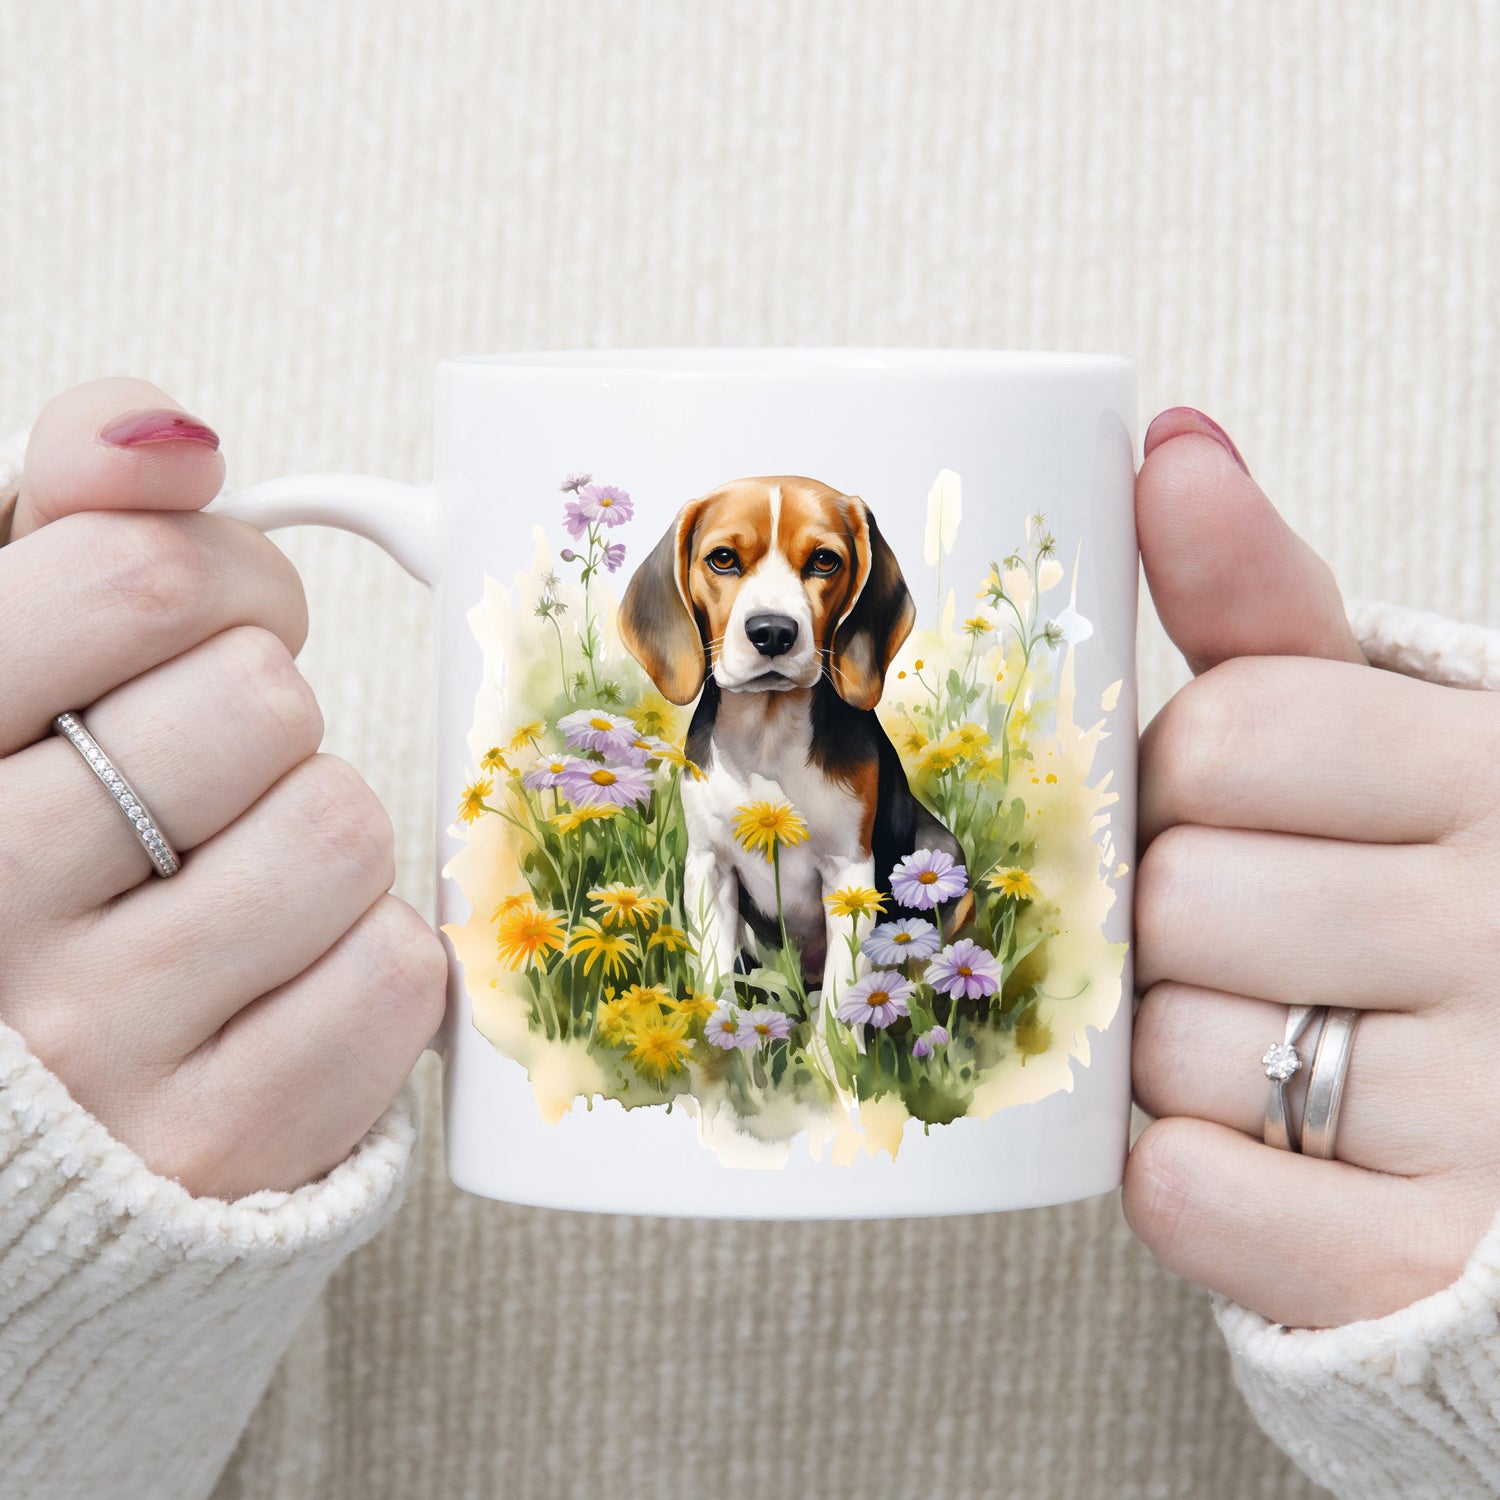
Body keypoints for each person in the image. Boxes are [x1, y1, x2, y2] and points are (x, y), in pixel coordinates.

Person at [1, 380, 1497, 1500]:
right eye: (732, 568)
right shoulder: (705, 743)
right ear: (681, 598)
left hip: (882, 943)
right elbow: (711, 878)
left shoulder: (849, 747)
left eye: (815, 571)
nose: (774, 605)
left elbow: (862, 876)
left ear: (856, 600)